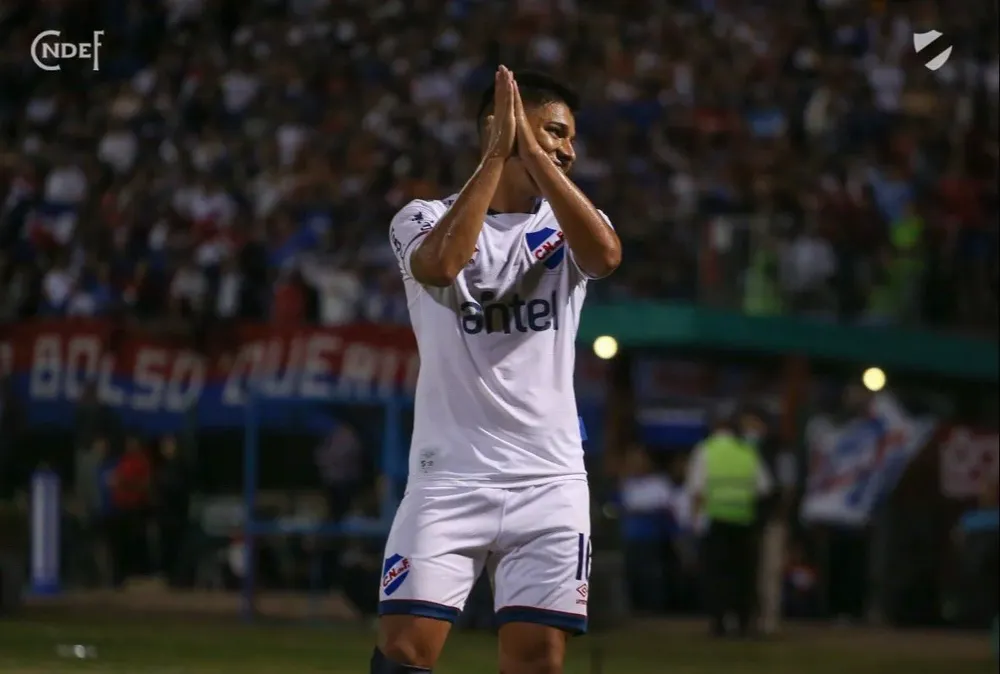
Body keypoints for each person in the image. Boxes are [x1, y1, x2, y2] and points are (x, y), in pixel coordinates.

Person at [373, 66, 621, 674]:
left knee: (538, 660)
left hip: (549, 481)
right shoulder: (420, 218)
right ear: (497, 127)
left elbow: (605, 256)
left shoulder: (567, 222)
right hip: (449, 479)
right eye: (552, 132)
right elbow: (440, 266)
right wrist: (497, 158)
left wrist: (531, 155)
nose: (566, 149)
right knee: (405, 652)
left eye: (568, 138)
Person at [686, 410, 773, 638]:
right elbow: (764, 488)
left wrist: (694, 523)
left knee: (717, 574)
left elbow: (697, 490)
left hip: (716, 521)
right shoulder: (747, 451)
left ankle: (718, 622)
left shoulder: (706, 450)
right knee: (743, 574)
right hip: (744, 521)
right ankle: (743, 621)